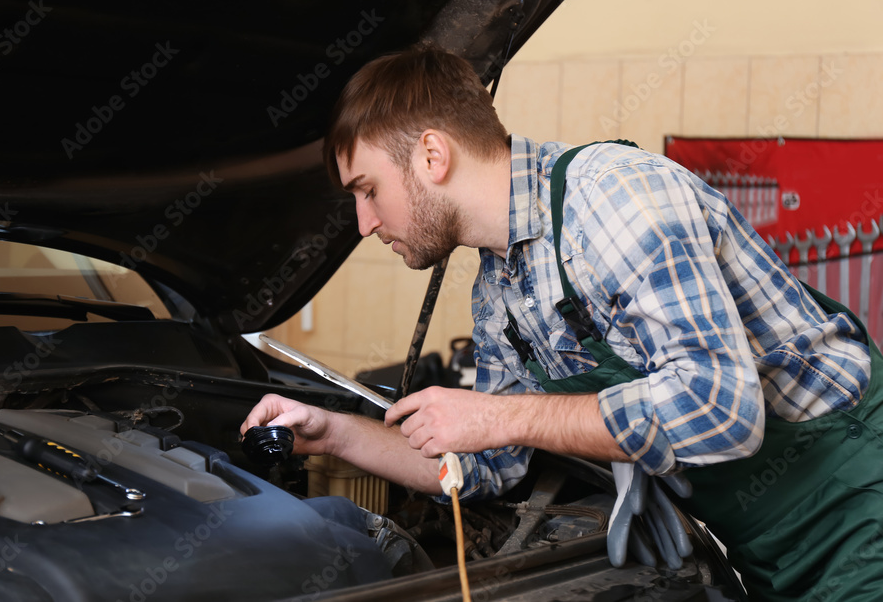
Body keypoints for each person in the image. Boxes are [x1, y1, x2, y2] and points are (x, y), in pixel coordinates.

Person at [242, 45, 879, 601]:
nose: (365, 223)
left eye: (368, 189)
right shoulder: (500, 286)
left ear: (432, 154)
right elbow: (491, 465)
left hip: (852, 505)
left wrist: (498, 415)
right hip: (747, 539)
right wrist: (334, 434)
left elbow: (721, 411)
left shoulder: (617, 200)